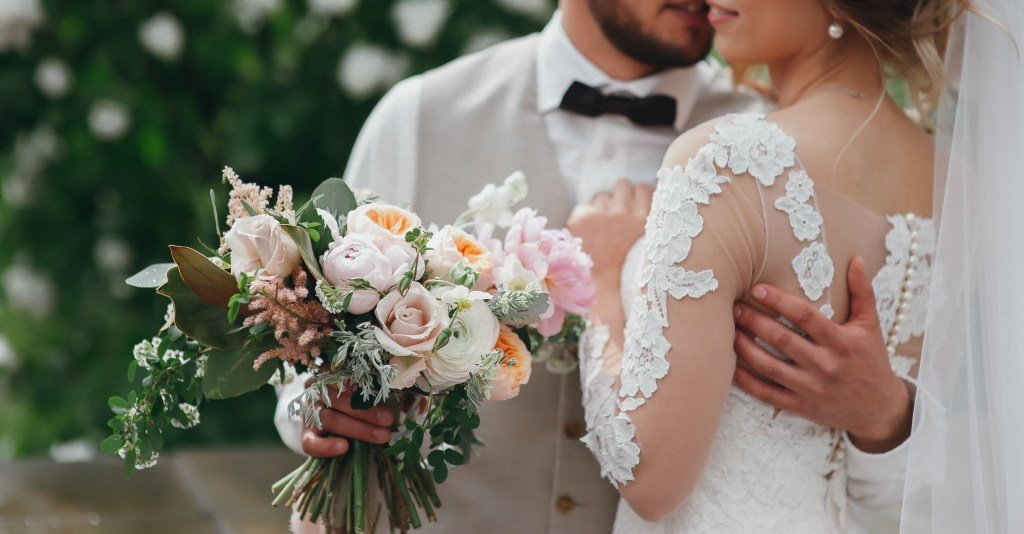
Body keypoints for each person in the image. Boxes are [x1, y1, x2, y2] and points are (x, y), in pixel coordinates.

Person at [277, 1, 909, 532]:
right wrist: (316, 406)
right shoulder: (419, 114)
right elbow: (311, 347)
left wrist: (887, 419)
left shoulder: (771, 145)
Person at [568, 0, 968, 531]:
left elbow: (648, 477)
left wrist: (596, 283)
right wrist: (891, 418)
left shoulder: (725, 163)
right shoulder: (959, 186)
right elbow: (903, 488)